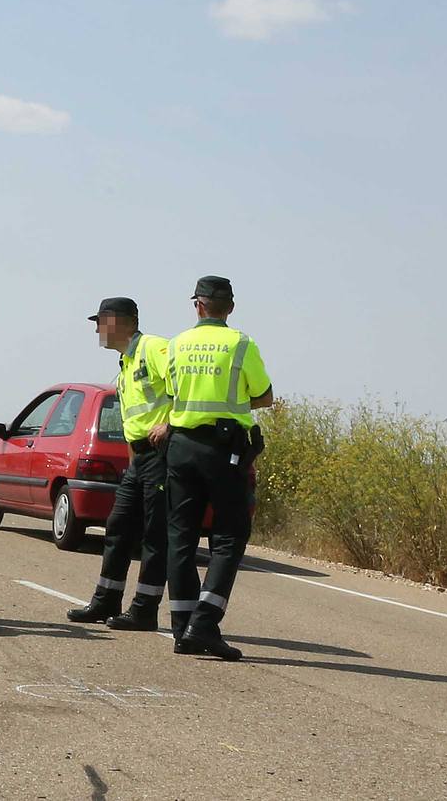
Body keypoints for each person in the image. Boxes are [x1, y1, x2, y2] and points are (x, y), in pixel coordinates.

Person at [153, 276, 273, 661]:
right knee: (228, 536)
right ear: (231, 308)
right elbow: (265, 395)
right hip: (224, 451)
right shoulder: (241, 343)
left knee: (181, 537)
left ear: (197, 305)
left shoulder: (176, 345)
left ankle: (181, 626)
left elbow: (172, 395)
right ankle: (204, 623)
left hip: (181, 447)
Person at [67, 297, 172, 630]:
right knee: (118, 526)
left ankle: (144, 610)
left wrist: (168, 424)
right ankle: (106, 601)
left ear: (123, 321)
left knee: (154, 536)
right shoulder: (125, 364)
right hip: (138, 459)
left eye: (101, 321)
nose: (97, 329)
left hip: (162, 454)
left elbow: (185, 388)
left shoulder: (154, 348)